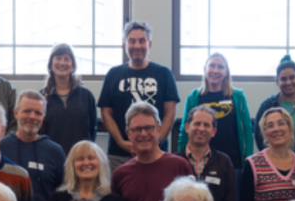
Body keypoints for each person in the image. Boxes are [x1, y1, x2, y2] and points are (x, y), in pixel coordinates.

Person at [98, 21, 180, 171]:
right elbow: (106, 113)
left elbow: (170, 113)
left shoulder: (164, 74)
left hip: (157, 154)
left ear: (149, 45)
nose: (137, 46)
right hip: (119, 155)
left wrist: (158, 141)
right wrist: (122, 142)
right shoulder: (113, 74)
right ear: (125, 45)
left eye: (142, 41)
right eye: (132, 41)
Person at [0, 89, 66, 201]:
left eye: (38, 112)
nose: (32, 116)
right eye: (27, 111)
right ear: (15, 113)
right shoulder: (0, 147)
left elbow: (63, 195)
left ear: (44, 116)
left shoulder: (55, 151)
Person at [177, 51, 253, 178]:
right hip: (199, 162)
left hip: (233, 164)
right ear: (205, 69)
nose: (215, 70)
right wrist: (181, 161)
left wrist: (248, 163)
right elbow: (184, 131)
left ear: (226, 72)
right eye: (212, 66)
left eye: (220, 67)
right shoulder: (194, 97)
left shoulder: (238, 96)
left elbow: (247, 131)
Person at [175, 105, 237, 201]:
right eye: (197, 123)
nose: (201, 129)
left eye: (206, 125)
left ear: (213, 131)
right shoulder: (173, 162)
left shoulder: (224, 162)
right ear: (187, 127)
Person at [40, 43, 97, 155]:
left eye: (67, 59)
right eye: (58, 58)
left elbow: (92, 130)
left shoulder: (86, 96)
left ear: (73, 66)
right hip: (51, 158)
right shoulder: (41, 97)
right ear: (50, 65)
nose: (62, 63)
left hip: (81, 157)